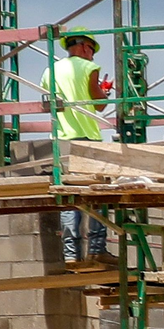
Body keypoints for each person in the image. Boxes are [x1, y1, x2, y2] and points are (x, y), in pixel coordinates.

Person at [40, 27, 118, 268]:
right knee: (97, 195)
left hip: (62, 141)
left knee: (69, 198)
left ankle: (71, 254)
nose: (92, 56)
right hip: (88, 140)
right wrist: (104, 92)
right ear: (85, 47)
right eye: (91, 51)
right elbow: (99, 105)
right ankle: (96, 249)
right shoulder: (88, 68)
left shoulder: (49, 71)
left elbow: (49, 105)